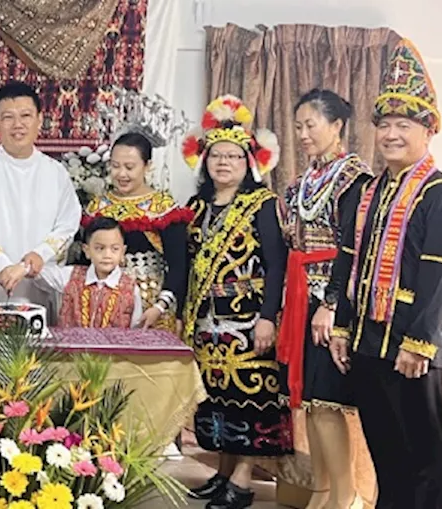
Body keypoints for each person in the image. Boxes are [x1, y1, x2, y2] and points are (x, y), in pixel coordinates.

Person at [325, 40, 442, 509]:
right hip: (368, 344)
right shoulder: (367, 192)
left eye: (403, 125)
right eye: (384, 124)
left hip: (411, 350)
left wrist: (420, 342)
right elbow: (348, 262)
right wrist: (343, 327)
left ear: (428, 131)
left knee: (424, 458)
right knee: (385, 454)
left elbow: (440, 277)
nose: (391, 134)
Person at [179, 95, 290, 509]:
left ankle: (242, 480)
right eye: (216, 155)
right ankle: (223, 471)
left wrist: (267, 318)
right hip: (206, 322)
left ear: (249, 163)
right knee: (218, 399)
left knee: (249, 401)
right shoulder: (197, 207)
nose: (223, 163)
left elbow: (277, 265)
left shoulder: (262, 205)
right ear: (204, 160)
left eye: (233, 156)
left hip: (247, 321)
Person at [275, 89, 372, 509]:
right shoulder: (304, 181)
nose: (302, 134)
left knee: (328, 401)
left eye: (310, 125)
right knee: (310, 403)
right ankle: (321, 487)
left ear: (337, 126)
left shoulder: (353, 178)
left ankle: (344, 495)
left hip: (330, 297)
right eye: (297, 126)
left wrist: (332, 304)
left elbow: (353, 248)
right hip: (300, 295)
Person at [0, 81, 81, 323]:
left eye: (25, 116)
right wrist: (3, 266)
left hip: (36, 281)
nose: (18, 125)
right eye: (8, 117)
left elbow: (68, 222)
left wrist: (37, 256)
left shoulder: (55, 173)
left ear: (39, 119)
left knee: (36, 357)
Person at [80, 132, 190, 331]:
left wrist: (161, 306)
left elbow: (179, 266)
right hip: (103, 302)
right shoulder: (97, 206)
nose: (121, 174)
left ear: (147, 166)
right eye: (115, 166)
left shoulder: (163, 207)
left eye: (129, 167)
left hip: (152, 305)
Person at [38, 216, 143, 328]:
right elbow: (39, 272)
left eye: (114, 249)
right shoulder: (71, 276)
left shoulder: (131, 289)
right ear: (87, 251)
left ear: (123, 251)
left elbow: (136, 329)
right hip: (72, 344)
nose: (107, 255)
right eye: (100, 248)